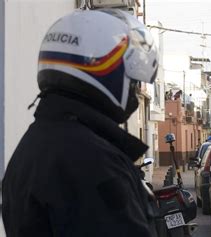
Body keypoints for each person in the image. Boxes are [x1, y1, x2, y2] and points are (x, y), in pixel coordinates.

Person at [2, 9, 160, 237]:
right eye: (133, 82)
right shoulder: (93, 162)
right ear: (107, 71)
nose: (135, 93)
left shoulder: (36, 143)